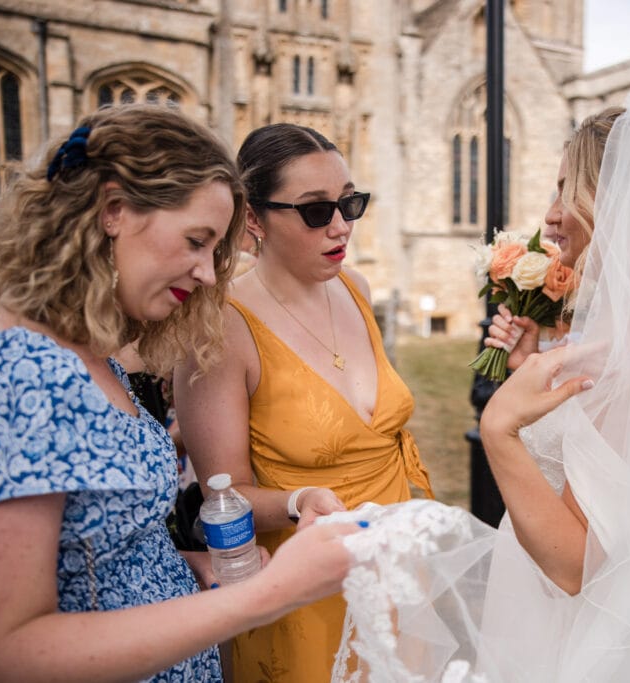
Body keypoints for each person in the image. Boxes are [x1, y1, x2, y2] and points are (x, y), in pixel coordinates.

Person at [326, 82, 630, 681]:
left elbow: (577, 563)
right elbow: (622, 474)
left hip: (582, 632)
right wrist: (531, 368)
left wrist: (500, 428)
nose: (550, 215)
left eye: (565, 190)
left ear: (621, 200)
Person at [0, 104, 357, 682]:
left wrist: (183, 564)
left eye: (214, 250)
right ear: (112, 212)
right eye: (196, 241)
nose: (207, 273)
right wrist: (270, 594)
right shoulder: (20, 369)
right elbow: (2, 653)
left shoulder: (86, 346)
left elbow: (82, 557)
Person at [173, 123, 433, 683]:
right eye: (316, 210)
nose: (341, 226)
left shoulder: (355, 288)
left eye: (350, 203)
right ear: (253, 221)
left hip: (396, 565)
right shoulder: (219, 328)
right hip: (303, 588)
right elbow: (224, 496)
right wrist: (297, 501)